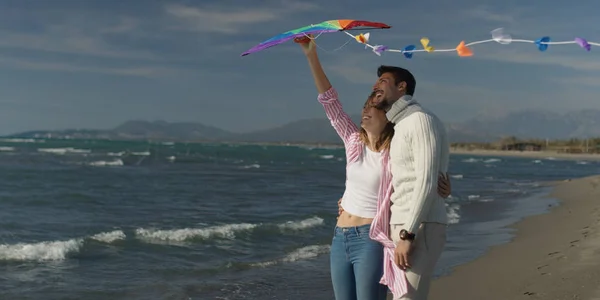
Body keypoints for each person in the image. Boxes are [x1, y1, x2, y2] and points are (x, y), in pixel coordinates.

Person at [295, 36, 452, 300]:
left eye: (371, 108)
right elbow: (330, 103)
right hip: (339, 236)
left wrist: (443, 187)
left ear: (386, 116)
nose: (365, 112)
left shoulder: (394, 151)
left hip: (371, 239)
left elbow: (418, 175)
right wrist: (311, 55)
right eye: (364, 108)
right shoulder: (353, 142)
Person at [371, 65, 451, 300]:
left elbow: (426, 180)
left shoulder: (420, 120)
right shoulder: (401, 124)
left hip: (419, 226)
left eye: (383, 81)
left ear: (401, 87)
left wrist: (408, 235)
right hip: (409, 224)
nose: (375, 86)